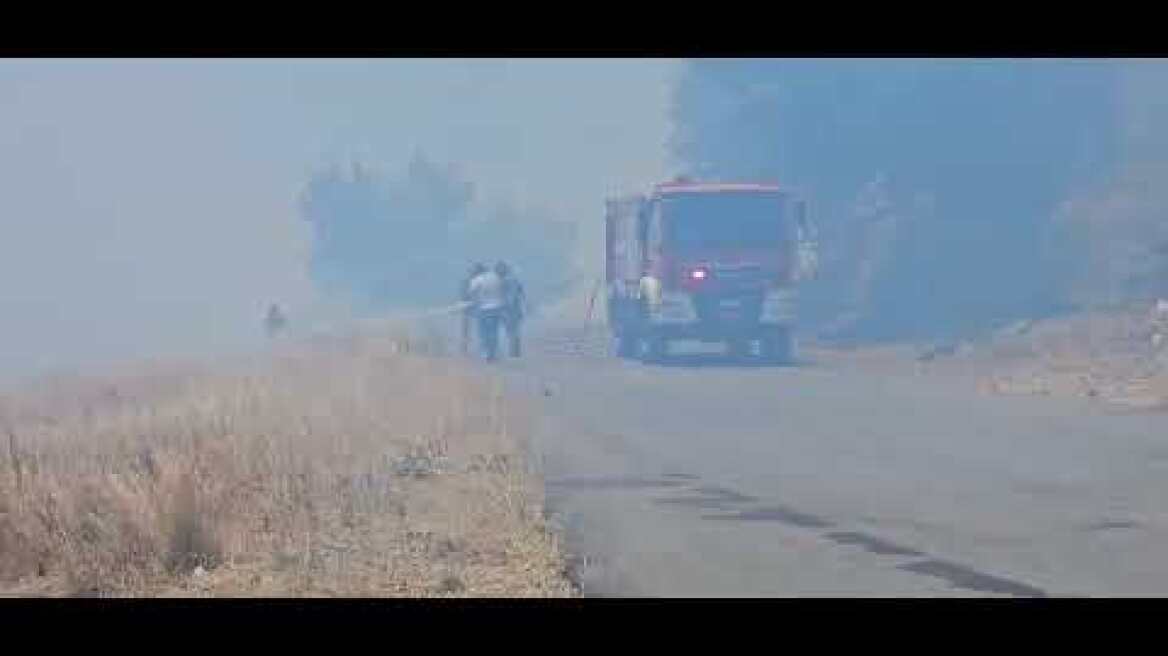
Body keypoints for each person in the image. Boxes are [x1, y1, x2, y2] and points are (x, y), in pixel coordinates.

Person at [467, 263, 506, 361]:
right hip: (497, 308)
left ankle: (486, 352)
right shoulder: (496, 277)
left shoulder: (476, 280)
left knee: (483, 332)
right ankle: (493, 352)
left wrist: (474, 304)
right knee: (494, 331)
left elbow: (472, 294)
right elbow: (503, 291)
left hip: (483, 309)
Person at [495, 261, 527, 358]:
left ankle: (513, 352)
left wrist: (505, 308)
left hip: (510, 310)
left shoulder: (507, 280)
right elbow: (521, 294)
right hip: (514, 310)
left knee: (510, 331)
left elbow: (511, 297)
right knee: (513, 331)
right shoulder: (513, 279)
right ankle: (514, 351)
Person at [459, 263, 487, 354]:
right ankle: (465, 348)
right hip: (469, 309)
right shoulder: (468, 281)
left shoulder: (472, 281)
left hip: (475, 309)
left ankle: (476, 348)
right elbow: (464, 295)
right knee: (467, 330)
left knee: (475, 330)